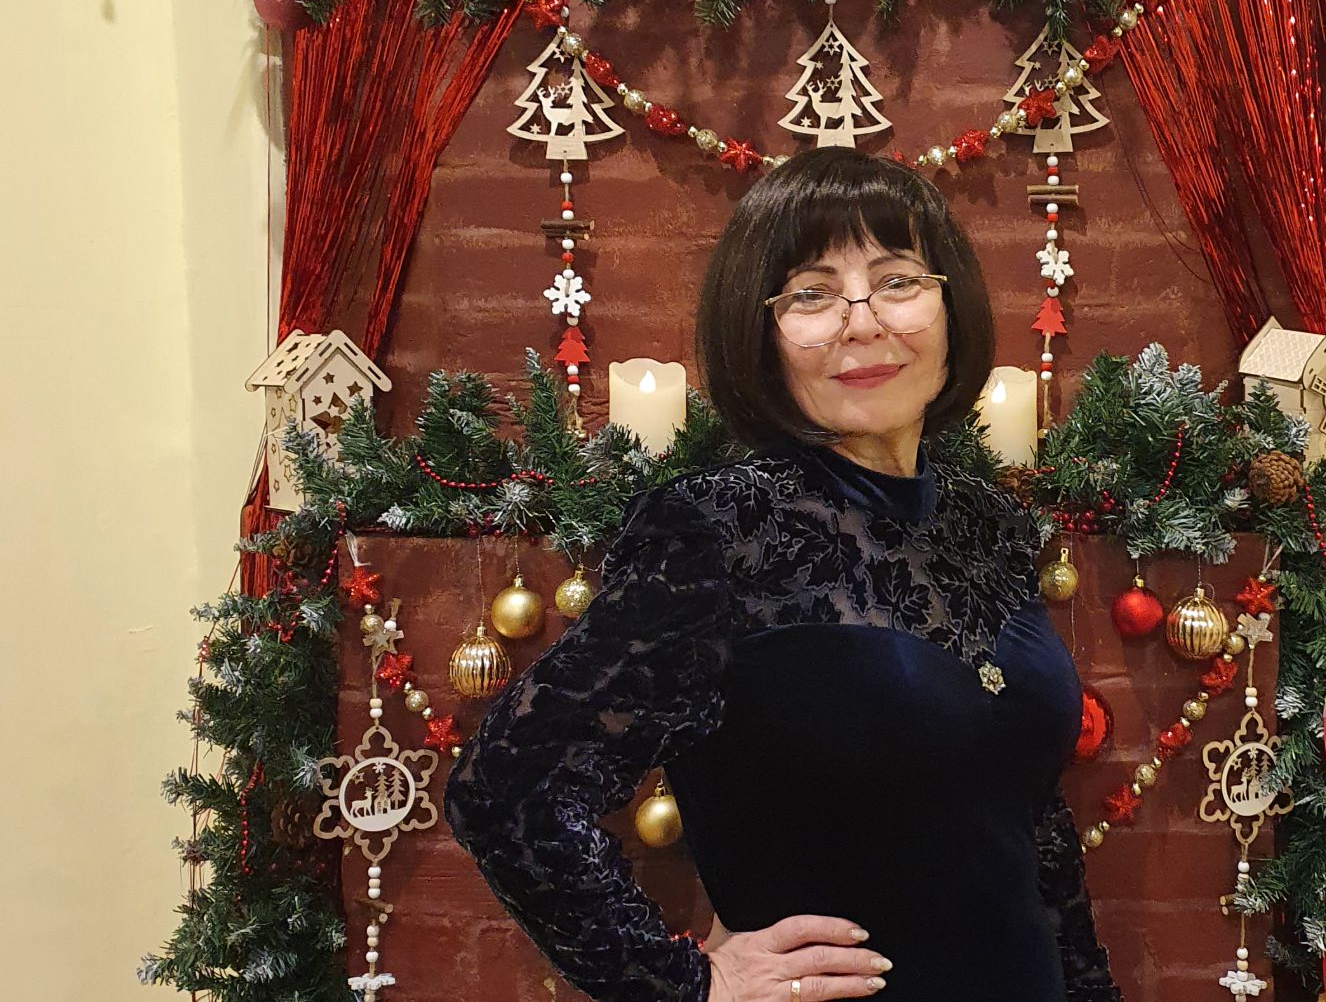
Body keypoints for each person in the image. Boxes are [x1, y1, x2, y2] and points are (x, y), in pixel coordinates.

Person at [444, 146, 1121, 1002]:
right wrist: (689, 985)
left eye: (898, 280)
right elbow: (507, 791)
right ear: (760, 334)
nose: (862, 323)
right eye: (811, 294)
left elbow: (1029, 821)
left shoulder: (990, 525)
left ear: (952, 306)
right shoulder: (719, 529)